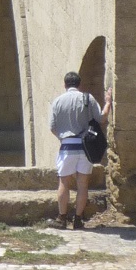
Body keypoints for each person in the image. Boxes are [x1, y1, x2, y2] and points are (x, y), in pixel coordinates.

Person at [48, 70, 112, 229]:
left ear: (65, 85)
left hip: (67, 146)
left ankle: (62, 218)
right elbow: (102, 118)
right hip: (85, 148)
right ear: (79, 84)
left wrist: (63, 138)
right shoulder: (87, 98)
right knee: (82, 184)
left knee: (64, 183)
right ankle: (78, 219)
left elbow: (52, 127)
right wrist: (108, 102)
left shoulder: (57, 101)